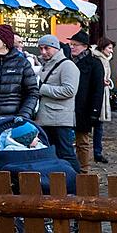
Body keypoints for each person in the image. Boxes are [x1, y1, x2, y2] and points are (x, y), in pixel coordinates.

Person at [34, 35, 81, 173]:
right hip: (46, 118)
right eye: (41, 48)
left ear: (56, 47)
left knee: (66, 153)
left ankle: (79, 182)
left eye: (47, 48)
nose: (43, 52)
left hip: (60, 119)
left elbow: (69, 90)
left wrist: (41, 88)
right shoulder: (46, 65)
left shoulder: (67, 65)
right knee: (52, 154)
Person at [69, 31, 105, 173]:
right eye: (71, 44)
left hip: (84, 108)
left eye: (75, 45)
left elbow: (98, 90)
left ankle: (83, 170)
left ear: (85, 46)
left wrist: (95, 112)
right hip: (68, 107)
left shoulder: (95, 63)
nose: (72, 47)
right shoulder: (68, 61)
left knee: (82, 141)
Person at [91, 37, 116, 163]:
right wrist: (101, 82)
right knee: (94, 125)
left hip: (103, 93)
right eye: (109, 48)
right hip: (96, 95)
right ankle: (95, 152)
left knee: (99, 126)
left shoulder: (105, 60)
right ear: (102, 48)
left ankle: (98, 152)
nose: (111, 51)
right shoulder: (97, 60)